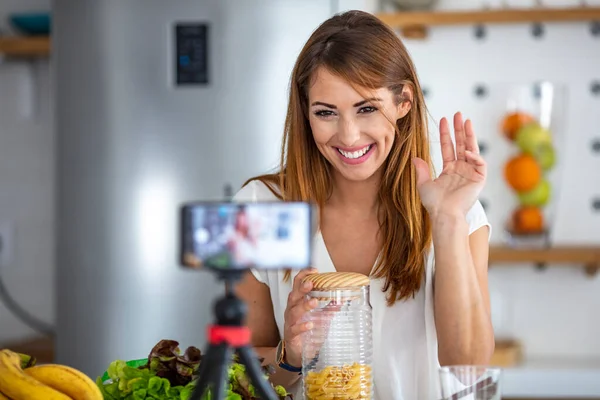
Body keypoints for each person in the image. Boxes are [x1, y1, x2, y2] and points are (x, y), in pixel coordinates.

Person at [233, 9, 494, 400]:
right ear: (305, 113)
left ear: (403, 101)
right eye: (325, 113)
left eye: (367, 108)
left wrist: (448, 219)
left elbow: (469, 364)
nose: (349, 135)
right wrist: (290, 356)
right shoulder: (258, 208)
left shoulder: (456, 210)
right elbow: (237, 380)